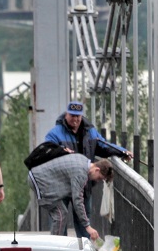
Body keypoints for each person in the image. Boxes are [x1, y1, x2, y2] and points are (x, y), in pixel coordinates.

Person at [43, 101, 130, 237]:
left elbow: (103, 145)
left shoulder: (90, 132)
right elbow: (46, 151)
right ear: (66, 114)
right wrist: (60, 151)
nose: (76, 119)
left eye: (78, 116)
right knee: (60, 220)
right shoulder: (55, 133)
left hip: (83, 184)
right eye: (72, 116)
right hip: (61, 185)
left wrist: (122, 152)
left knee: (83, 221)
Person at [26, 152, 113, 241]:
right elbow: (77, 200)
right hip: (39, 179)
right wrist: (87, 226)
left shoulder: (83, 159)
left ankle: (55, 243)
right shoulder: (81, 173)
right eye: (99, 178)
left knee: (61, 212)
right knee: (60, 213)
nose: (97, 180)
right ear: (96, 170)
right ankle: (54, 246)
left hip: (40, 176)